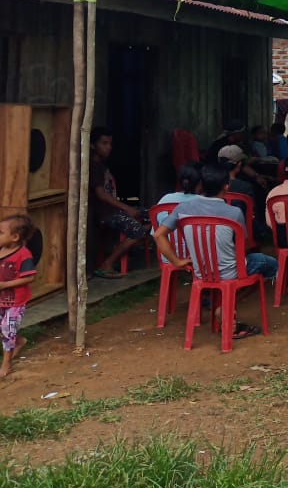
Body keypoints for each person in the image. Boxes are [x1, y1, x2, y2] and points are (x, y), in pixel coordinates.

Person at [156, 162, 277, 340]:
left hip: (201, 270)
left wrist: (176, 261)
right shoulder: (234, 212)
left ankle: (224, 305)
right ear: (226, 186)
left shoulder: (182, 209)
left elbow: (159, 235)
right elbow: (241, 247)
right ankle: (227, 308)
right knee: (270, 264)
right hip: (231, 271)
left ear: (201, 185)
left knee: (243, 267)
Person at [89, 126, 150, 279]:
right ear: (92, 145)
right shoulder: (93, 167)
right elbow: (101, 195)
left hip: (113, 210)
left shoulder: (102, 165)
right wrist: (126, 208)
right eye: (104, 143)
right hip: (105, 213)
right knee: (138, 231)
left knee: (152, 215)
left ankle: (125, 247)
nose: (108, 147)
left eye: (110, 144)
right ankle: (107, 264)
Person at [0, 213, 37, 377]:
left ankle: (6, 363)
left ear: (14, 237)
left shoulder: (23, 254)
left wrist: (5, 285)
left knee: (7, 329)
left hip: (16, 301)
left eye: (1, 232)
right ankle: (19, 341)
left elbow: (30, 277)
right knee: (4, 329)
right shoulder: (1, 249)